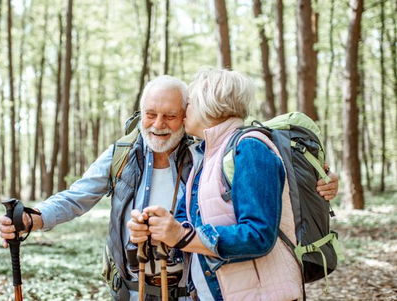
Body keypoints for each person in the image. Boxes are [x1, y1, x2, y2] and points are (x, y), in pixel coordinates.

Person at [0, 74, 339, 301]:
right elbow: (77, 196)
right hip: (133, 288)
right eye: (150, 114)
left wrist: (320, 182)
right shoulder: (123, 154)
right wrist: (33, 218)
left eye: (171, 116)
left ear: (188, 114)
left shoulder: (205, 154)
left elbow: (257, 197)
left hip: (193, 289)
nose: (158, 125)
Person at [128, 69, 336, 301]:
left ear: (210, 104)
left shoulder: (249, 149)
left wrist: (182, 235)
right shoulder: (204, 155)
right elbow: (186, 229)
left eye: (191, 102)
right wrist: (158, 231)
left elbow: (258, 235)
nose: (185, 110)